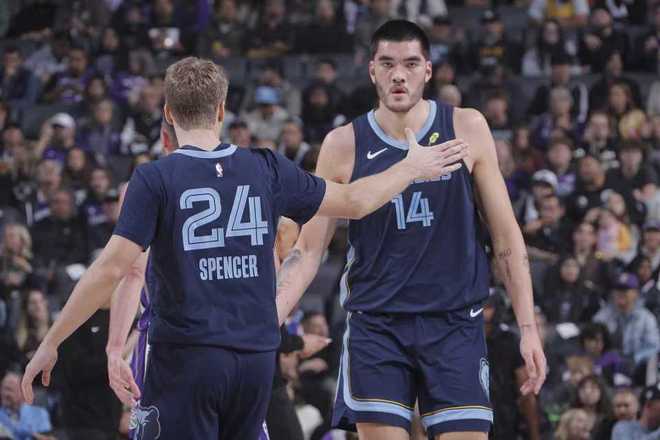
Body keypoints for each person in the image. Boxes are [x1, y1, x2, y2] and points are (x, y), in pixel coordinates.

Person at [20, 56, 466, 440]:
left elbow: (112, 270)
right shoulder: (265, 167)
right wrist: (411, 167)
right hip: (254, 362)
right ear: (221, 109)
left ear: (168, 113)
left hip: (188, 358)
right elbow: (355, 201)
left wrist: (52, 341)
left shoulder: (154, 178)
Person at [275, 20, 546, 440]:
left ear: (428, 70)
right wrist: (269, 318)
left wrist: (528, 328)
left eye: (410, 63)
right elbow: (309, 250)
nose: (398, 74)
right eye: (387, 64)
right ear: (372, 71)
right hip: (378, 324)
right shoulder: (343, 144)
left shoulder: (467, 127)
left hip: (454, 321)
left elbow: (506, 236)